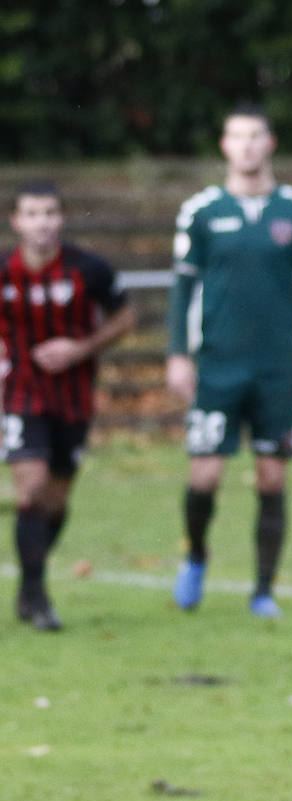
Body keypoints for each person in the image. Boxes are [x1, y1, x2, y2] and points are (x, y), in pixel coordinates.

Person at [166, 104, 292, 618]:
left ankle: (263, 591)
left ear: (270, 143)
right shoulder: (200, 210)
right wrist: (178, 354)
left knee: (272, 478)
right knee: (205, 477)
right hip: (216, 365)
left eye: (254, 135)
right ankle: (196, 556)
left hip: (276, 369)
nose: (245, 145)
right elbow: (182, 288)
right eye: (236, 136)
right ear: (224, 145)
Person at [1, 181, 137, 632]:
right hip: (19, 393)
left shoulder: (88, 269)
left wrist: (79, 349)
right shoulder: (3, 270)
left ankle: (28, 584)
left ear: (61, 219)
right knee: (31, 488)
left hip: (73, 397)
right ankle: (38, 598)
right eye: (33, 214)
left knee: (56, 501)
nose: (42, 222)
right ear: (16, 221)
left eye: (50, 213)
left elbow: (126, 317)